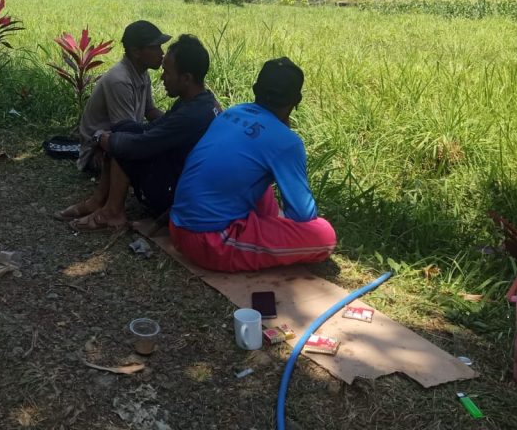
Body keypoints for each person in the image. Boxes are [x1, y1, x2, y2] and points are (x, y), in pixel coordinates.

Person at [169, 57, 337, 272]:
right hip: (210, 242)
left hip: (178, 226)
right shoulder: (287, 142)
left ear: (256, 89)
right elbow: (303, 216)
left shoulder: (231, 112)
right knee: (324, 235)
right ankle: (259, 233)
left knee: (258, 176)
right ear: (296, 101)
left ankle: (261, 227)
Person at [60, 35, 222, 230]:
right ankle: (98, 201)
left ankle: (112, 213)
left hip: (178, 194)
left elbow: (141, 145)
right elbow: (154, 127)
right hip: (177, 171)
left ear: (186, 78)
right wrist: (116, 136)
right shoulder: (198, 101)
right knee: (125, 130)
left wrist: (105, 140)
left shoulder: (192, 115)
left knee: (125, 148)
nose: (162, 77)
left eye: (167, 73)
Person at [75, 20, 169, 173]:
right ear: (136, 52)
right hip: (97, 153)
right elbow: (125, 132)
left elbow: (150, 110)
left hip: (122, 137)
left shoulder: (142, 72)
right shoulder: (120, 81)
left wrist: (172, 123)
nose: (161, 52)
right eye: (155, 47)